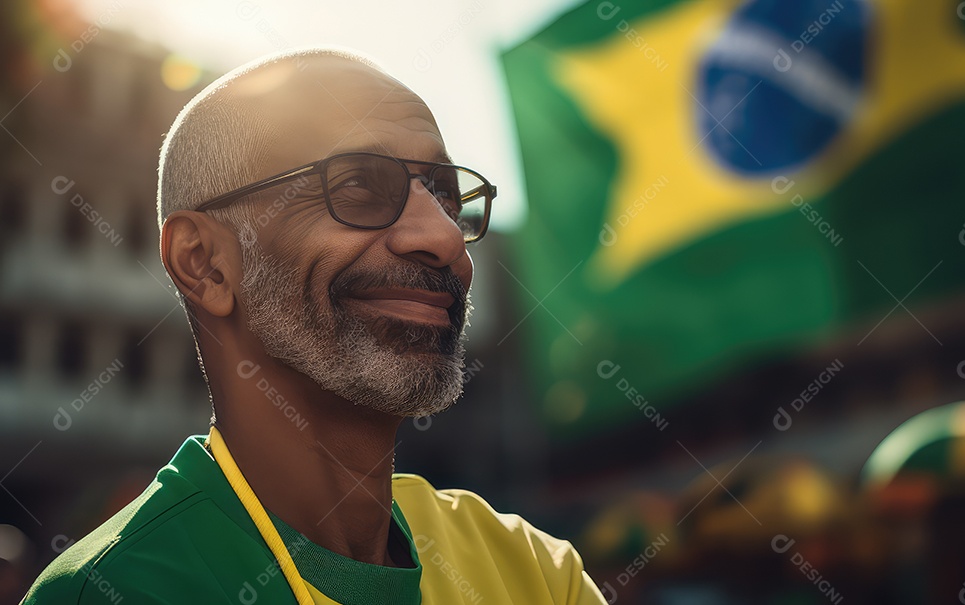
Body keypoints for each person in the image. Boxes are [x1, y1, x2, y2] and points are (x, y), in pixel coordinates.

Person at [22, 47, 605, 605]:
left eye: (446, 197)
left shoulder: (532, 568)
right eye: (357, 185)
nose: (445, 238)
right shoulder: (120, 591)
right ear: (205, 264)